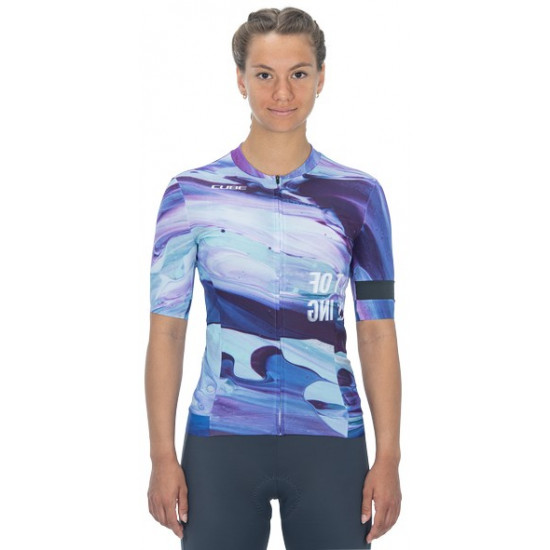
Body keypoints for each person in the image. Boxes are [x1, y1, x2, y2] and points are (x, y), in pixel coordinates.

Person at [145, 7, 402, 550]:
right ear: (240, 79)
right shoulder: (190, 194)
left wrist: (389, 457)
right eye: (264, 74)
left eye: (298, 73)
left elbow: (378, 333)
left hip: (330, 438)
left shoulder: (358, 196)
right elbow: (167, 332)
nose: (282, 92)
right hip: (221, 440)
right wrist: (162, 456)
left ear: (321, 78)